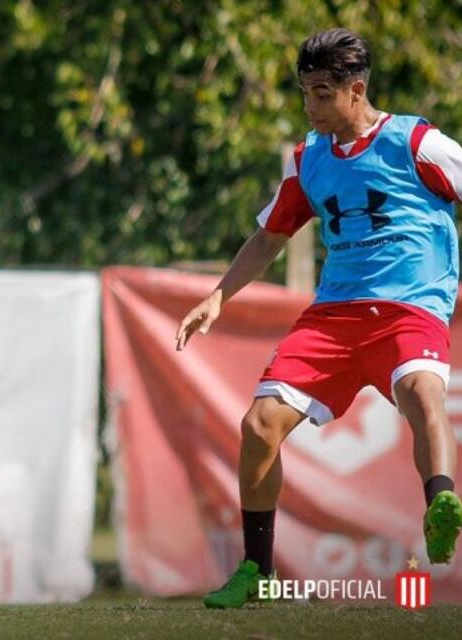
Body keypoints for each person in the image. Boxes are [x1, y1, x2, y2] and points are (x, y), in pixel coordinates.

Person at [176, 28, 462, 609]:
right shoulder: (309, 159)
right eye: (306, 92)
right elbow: (269, 236)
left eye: (322, 93)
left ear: (357, 91)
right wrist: (218, 296)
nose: (310, 105)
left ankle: (441, 505)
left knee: (422, 394)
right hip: (333, 315)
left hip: (410, 307)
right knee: (258, 428)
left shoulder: (416, 143)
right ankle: (256, 569)